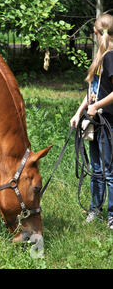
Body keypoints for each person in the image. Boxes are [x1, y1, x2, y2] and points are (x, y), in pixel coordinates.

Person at [70, 13, 113, 229]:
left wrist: (97, 106)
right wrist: (80, 112)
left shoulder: (111, 57)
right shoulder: (99, 58)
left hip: (107, 122)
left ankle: (112, 215)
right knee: (95, 168)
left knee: (108, 169)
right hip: (94, 121)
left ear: (95, 32)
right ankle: (95, 209)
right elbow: (92, 92)